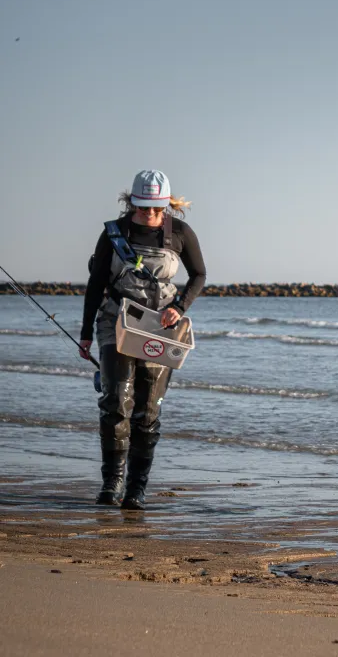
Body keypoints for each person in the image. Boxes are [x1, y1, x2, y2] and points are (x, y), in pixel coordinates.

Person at [79, 170, 206, 510]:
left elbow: (199, 275)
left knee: (147, 412)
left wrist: (179, 307)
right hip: (114, 324)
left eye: (156, 208)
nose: (149, 214)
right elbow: (94, 285)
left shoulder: (179, 233)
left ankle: (136, 488)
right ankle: (112, 483)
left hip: (158, 329)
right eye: (143, 207)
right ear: (132, 201)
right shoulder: (113, 233)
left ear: (166, 205)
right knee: (116, 402)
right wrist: (85, 333)